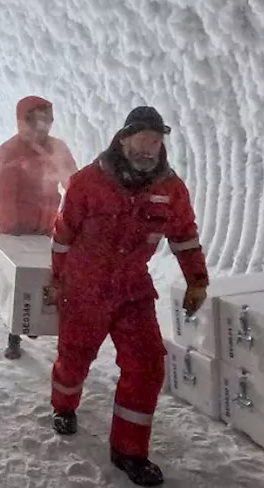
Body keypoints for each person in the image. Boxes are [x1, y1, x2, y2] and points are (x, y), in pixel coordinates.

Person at [46, 106, 209, 487]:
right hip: (85, 287)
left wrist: (196, 280)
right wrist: (58, 280)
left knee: (148, 364)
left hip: (132, 290)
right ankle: (64, 405)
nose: (149, 148)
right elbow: (63, 234)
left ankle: (129, 452)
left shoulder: (170, 189)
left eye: (156, 141)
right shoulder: (88, 182)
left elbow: (184, 236)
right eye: (142, 139)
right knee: (75, 357)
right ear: (123, 139)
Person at [0, 95, 78, 360]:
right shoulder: (9, 152)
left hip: (49, 226)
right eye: (35, 120)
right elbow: (3, 194)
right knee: (19, 282)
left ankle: (44, 325)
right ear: (23, 121)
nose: (42, 126)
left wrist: (76, 216)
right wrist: (11, 230)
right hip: (19, 229)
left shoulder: (57, 149)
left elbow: (73, 183)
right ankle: (14, 334)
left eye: (46, 119)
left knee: (53, 277)